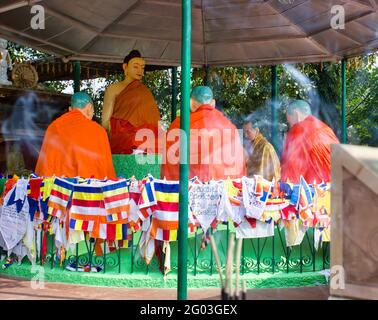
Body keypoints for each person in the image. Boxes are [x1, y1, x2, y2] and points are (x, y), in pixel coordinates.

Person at [161, 86, 245, 181]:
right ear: (213, 103)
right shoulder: (229, 126)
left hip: (188, 190)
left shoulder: (179, 125)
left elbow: (169, 162)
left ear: (190, 103)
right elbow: (239, 164)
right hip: (223, 190)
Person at [35, 92, 116, 179]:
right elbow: (106, 170)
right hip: (88, 188)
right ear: (89, 108)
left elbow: (45, 167)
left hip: (58, 188)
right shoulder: (99, 131)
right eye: (93, 111)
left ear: (70, 109)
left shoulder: (54, 127)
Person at [101, 50, 161, 154]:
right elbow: (105, 122)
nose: (140, 71)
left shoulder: (145, 92)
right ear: (125, 67)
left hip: (144, 140)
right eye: (136, 66)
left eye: (142, 68)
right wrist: (120, 130)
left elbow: (154, 121)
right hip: (122, 140)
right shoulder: (114, 89)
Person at [281, 100, 339, 183]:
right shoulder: (326, 129)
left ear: (296, 113)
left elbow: (289, 169)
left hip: (314, 189)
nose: (290, 126)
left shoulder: (297, 130)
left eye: (289, 123)